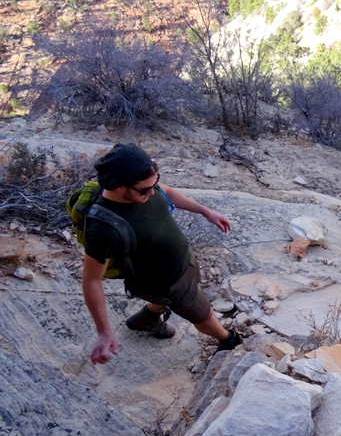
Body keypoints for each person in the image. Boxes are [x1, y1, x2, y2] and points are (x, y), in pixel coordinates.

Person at [81, 143, 242, 364]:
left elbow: (167, 192)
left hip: (181, 261)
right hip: (165, 282)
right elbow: (91, 281)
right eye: (145, 189)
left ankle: (148, 317)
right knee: (203, 315)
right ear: (118, 186)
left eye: (154, 184)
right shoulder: (103, 228)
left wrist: (206, 212)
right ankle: (228, 339)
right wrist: (104, 332)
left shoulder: (144, 187)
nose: (151, 191)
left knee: (180, 294)